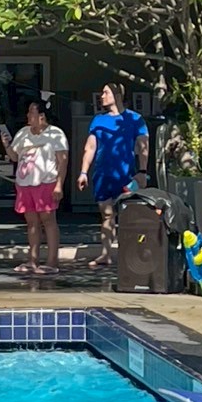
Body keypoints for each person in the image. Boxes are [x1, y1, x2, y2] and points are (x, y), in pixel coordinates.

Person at [76, 83, 149, 269]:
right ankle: (106, 253)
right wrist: (83, 172)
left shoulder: (135, 119)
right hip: (102, 175)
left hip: (126, 175)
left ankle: (131, 255)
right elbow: (90, 147)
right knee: (107, 214)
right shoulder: (98, 120)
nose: (102, 96)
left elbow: (143, 146)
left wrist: (142, 172)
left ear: (117, 95)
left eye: (106, 92)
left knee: (128, 215)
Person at [5, 99, 68, 275]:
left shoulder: (56, 134)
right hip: (25, 183)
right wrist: (7, 145)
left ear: (41, 116)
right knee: (31, 222)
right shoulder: (23, 133)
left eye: (31, 112)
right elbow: (15, 156)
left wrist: (59, 185)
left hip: (46, 182)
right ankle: (32, 260)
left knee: (48, 220)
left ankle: (52, 261)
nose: (28, 116)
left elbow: (63, 161)